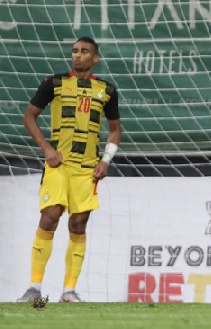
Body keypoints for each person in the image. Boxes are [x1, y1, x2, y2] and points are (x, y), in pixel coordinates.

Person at [17, 36, 121, 303]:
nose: (77, 55)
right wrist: (47, 149)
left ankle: (69, 291)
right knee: (50, 217)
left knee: (78, 224)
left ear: (95, 58)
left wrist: (106, 160)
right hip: (59, 165)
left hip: (87, 169)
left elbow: (115, 130)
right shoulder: (55, 83)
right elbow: (29, 116)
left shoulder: (107, 90)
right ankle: (34, 287)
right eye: (74, 51)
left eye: (84, 51)